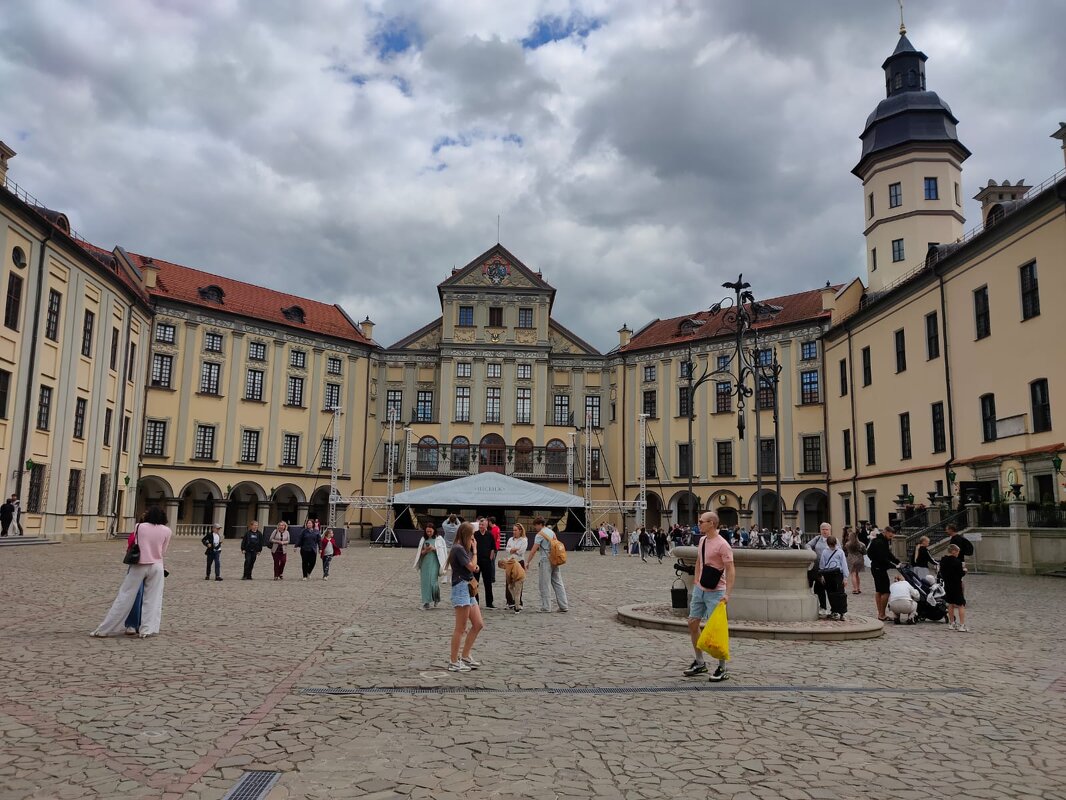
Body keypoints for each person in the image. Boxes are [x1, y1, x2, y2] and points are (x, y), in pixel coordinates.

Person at [91, 505, 172, 638]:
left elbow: (137, 543)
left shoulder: (140, 527)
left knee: (125, 595)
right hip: (157, 565)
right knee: (153, 599)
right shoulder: (167, 531)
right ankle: (146, 629)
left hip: (139, 564)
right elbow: (163, 551)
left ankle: (104, 629)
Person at [682, 511, 735, 682]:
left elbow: (730, 569)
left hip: (717, 591)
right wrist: (696, 581)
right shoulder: (703, 540)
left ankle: (722, 667)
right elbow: (699, 561)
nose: (698, 523)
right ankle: (699, 662)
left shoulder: (723, 544)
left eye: (701, 521)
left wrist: (727, 594)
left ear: (711, 523)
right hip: (701, 589)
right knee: (692, 623)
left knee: (717, 629)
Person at [447, 522, 484, 671]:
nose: (473, 538)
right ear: (466, 535)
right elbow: (472, 567)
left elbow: (473, 567)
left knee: (478, 624)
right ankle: (453, 661)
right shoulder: (458, 549)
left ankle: (465, 656)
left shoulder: (463, 548)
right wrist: (475, 552)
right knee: (461, 628)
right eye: (472, 535)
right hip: (461, 587)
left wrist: (474, 563)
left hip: (468, 587)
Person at [525, 517, 569, 613]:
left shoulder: (539, 535)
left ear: (539, 524)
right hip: (554, 559)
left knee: (544, 584)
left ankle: (546, 607)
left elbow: (533, 550)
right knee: (558, 583)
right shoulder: (551, 532)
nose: (535, 528)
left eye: (536, 525)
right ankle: (563, 605)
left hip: (545, 560)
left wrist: (527, 561)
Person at [867, 525, 901, 621]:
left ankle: (880, 613)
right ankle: (882, 614)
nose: (891, 538)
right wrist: (894, 565)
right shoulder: (880, 542)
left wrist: (896, 561)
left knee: (879, 590)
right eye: (890, 536)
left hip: (876, 567)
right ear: (885, 532)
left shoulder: (880, 541)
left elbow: (887, 554)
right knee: (886, 591)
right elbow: (883, 558)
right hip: (879, 568)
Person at [815, 535, 849, 620]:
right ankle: (834, 610)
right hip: (828, 574)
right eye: (830, 545)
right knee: (831, 593)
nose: (832, 547)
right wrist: (822, 575)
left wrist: (845, 577)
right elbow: (822, 564)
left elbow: (844, 565)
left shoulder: (840, 552)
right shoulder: (825, 552)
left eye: (833, 545)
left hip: (838, 574)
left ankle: (842, 612)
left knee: (840, 593)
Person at [415, 522, 447, 608]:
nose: (429, 533)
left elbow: (442, 552)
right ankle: (426, 601)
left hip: (435, 562)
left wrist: (434, 549)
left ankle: (436, 598)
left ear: (434, 531)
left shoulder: (439, 539)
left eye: (430, 531)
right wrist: (425, 551)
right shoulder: (423, 539)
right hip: (425, 563)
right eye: (427, 531)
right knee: (425, 582)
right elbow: (420, 553)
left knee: (433, 582)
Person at [939, 544, 969, 631]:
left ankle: (952, 623)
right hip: (956, 584)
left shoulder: (943, 561)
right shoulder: (957, 562)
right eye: (958, 552)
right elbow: (960, 574)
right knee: (961, 604)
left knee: (950, 604)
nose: (958, 553)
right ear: (953, 551)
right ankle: (962, 625)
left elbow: (942, 572)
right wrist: (964, 571)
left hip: (947, 584)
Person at [502, 523, 529, 612]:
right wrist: (513, 550)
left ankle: (518, 602)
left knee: (518, 583)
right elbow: (507, 549)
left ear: (520, 531)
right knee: (508, 582)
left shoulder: (524, 540)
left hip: (519, 562)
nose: (514, 532)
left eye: (515, 530)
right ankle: (510, 602)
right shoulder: (510, 539)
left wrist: (512, 550)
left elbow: (521, 551)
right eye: (513, 530)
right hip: (510, 562)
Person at [473, 518, 498, 608]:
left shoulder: (489, 534)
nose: (480, 526)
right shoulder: (475, 534)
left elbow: (493, 547)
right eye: (480, 525)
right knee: (475, 582)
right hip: (477, 561)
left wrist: (491, 555)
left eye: (482, 525)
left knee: (488, 582)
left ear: (486, 525)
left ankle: (489, 602)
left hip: (487, 561)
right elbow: (471, 547)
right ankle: (475, 601)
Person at [843, 527, 866, 594]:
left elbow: (846, 551)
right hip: (859, 559)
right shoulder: (861, 544)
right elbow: (864, 552)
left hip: (851, 559)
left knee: (853, 574)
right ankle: (858, 588)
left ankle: (855, 589)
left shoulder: (847, 544)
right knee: (857, 574)